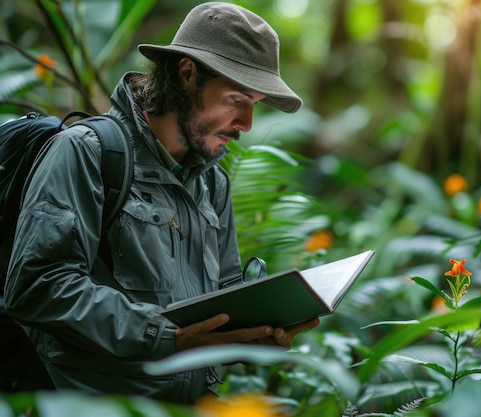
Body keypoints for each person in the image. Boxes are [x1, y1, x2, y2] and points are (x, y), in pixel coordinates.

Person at [4, 2, 319, 404]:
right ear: (187, 74)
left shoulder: (212, 181)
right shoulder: (88, 152)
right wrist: (166, 336)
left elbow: (222, 291)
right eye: (236, 99)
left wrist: (255, 329)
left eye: (254, 104)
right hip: (94, 407)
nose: (246, 124)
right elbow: (37, 285)